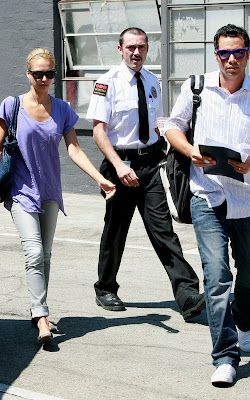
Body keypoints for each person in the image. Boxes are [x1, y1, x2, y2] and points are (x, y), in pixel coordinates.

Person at [86, 27, 205, 321]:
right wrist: (117, 165)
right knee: (116, 229)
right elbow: (98, 130)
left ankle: (187, 294)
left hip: (150, 165)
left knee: (163, 230)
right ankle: (105, 288)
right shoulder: (107, 83)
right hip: (120, 164)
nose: (136, 53)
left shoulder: (152, 81)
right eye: (130, 48)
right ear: (120, 49)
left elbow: (154, 124)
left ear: (147, 49)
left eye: (141, 47)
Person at [0, 48, 116, 345]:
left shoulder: (63, 109)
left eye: (49, 73)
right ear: (28, 74)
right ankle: (41, 316)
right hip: (20, 191)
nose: (43, 78)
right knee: (34, 252)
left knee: (46, 255)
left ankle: (38, 309)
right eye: (37, 73)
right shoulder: (11, 106)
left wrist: (101, 178)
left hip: (50, 191)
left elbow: (74, 149)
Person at [166, 24, 250, 386]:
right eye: (224, 53)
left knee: (247, 275)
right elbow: (170, 125)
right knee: (216, 278)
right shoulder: (196, 87)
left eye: (238, 52)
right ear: (215, 54)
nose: (231, 59)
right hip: (208, 196)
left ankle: (245, 324)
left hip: (247, 201)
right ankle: (225, 357)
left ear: (248, 53)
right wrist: (190, 151)